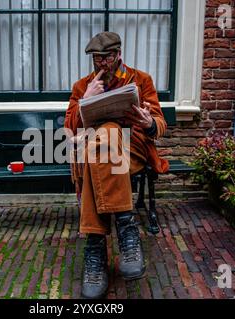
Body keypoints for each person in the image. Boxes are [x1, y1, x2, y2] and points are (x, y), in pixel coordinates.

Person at [64, 31, 170, 299]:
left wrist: (148, 122)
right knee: (103, 139)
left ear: (118, 55)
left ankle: (94, 251)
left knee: (106, 138)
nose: (101, 64)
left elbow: (160, 125)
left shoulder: (140, 80)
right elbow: (69, 130)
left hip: (132, 151)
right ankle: (126, 229)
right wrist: (86, 100)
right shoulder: (82, 86)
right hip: (96, 151)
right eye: (96, 59)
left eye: (107, 58)